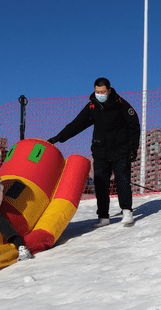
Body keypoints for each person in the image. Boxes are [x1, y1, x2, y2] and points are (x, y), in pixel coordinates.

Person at [48, 77, 141, 227]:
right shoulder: (92, 106)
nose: (100, 94)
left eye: (103, 91)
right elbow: (77, 124)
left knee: (122, 180)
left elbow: (134, 126)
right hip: (100, 152)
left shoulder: (121, 104)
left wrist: (133, 148)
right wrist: (58, 138)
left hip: (120, 151)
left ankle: (127, 212)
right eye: (97, 91)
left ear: (109, 90)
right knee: (100, 183)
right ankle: (103, 216)